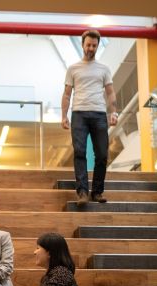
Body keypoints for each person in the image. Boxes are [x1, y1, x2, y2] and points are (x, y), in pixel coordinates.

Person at [61, 29, 118, 206]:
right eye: (88, 45)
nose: (91, 48)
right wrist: (63, 115)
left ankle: (97, 192)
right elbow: (67, 94)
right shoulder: (73, 69)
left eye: (94, 45)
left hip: (99, 114)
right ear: (82, 44)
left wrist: (114, 111)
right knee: (79, 153)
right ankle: (83, 192)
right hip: (79, 114)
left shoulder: (104, 69)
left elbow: (110, 93)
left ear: (97, 46)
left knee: (101, 154)